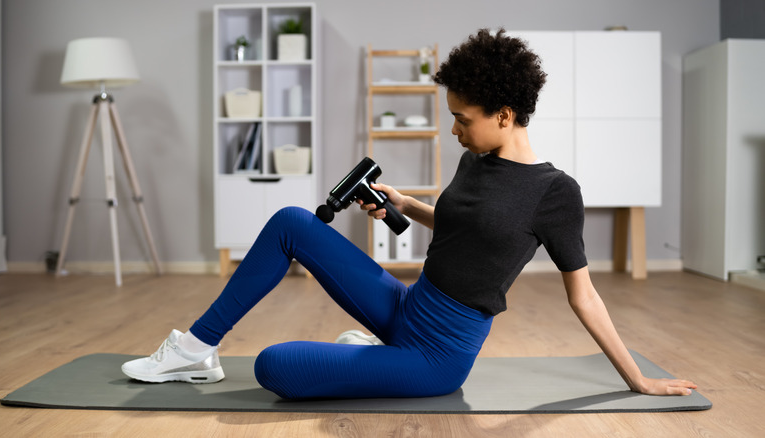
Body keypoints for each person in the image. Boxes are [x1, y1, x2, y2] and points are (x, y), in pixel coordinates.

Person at [122, 29, 697, 399]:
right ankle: (195, 350)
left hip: (437, 355)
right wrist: (404, 204)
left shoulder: (554, 192)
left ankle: (380, 358)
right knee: (292, 222)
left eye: (463, 119)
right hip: (406, 306)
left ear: (504, 114)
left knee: (274, 367)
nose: (455, 130)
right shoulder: (476, 159)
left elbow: (585, 296)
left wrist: (638, 380)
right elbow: (463, 229)